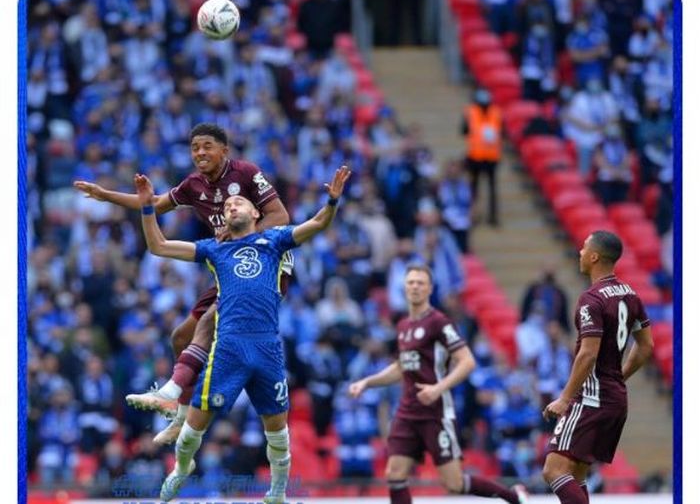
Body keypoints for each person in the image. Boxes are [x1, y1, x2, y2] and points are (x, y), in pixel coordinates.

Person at [133, 165, 352, 503]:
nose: (231, 206)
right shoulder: (214, 249)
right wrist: (148, 207)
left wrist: (333, 201)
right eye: (226, 207)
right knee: (194, 427)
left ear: (255, 211)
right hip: (228, 351)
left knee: (277, 431)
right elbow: (159, 246)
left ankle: (277, 491)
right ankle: (181, 469)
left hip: (267, 349)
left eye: (238, 203)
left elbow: (319, 223)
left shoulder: (275, 241)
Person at [74, 122, 290, 444]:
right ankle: (180, 414)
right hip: (229, 271)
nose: (200, 153)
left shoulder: (245, 173)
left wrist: (236, 234)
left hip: (266, 266)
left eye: (207, 146)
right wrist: (106, 196)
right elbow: (154, 203)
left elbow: (280, 216)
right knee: (180, 337)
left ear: (224, 150)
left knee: (207, 322)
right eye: (194, 148)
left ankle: (176, 393)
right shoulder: (193, 185)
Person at [348, 265, 528, 504]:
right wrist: (367, 382)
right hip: (407, 411)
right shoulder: (403, 326)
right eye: (411, 282)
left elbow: (467, 362)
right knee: (395, 474)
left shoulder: (439, 323)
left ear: (430, 289)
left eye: (420, 283)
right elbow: (402, 367)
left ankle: (512, 495)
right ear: (404, 287)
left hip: (435, 413)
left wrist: (438, 388)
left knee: (454, 484)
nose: (415, 287)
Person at [541, 230, 655, 504]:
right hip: (614, 398)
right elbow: (646, 346)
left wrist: (565, 398)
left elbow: (587, 354)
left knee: (553, 470)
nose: (579, 253)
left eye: (583, 248)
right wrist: (619, 376)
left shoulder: (591, 300)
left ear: (594, 257)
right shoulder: (630, 294)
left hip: (590, 400)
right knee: (576, 475)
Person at [462, 88, 503, 226]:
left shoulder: (494, 113)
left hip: (490, 157)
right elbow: (464, 131)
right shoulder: (471, 112)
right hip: (477, 156)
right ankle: (475, 215)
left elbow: (464, 131)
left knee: (486, 189)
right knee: (475, 189)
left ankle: (492, 216)